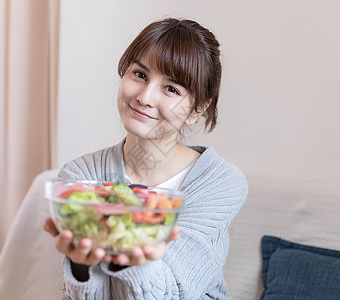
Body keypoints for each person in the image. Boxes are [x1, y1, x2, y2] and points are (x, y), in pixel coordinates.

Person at [43, 17, 248, 299]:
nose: (145, 97)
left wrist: (126, 257)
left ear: (197, 110)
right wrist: (80, 265)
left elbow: (175, 292)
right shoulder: (81, 175)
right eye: (140, 74)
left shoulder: (221, 183)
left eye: (172, 89)